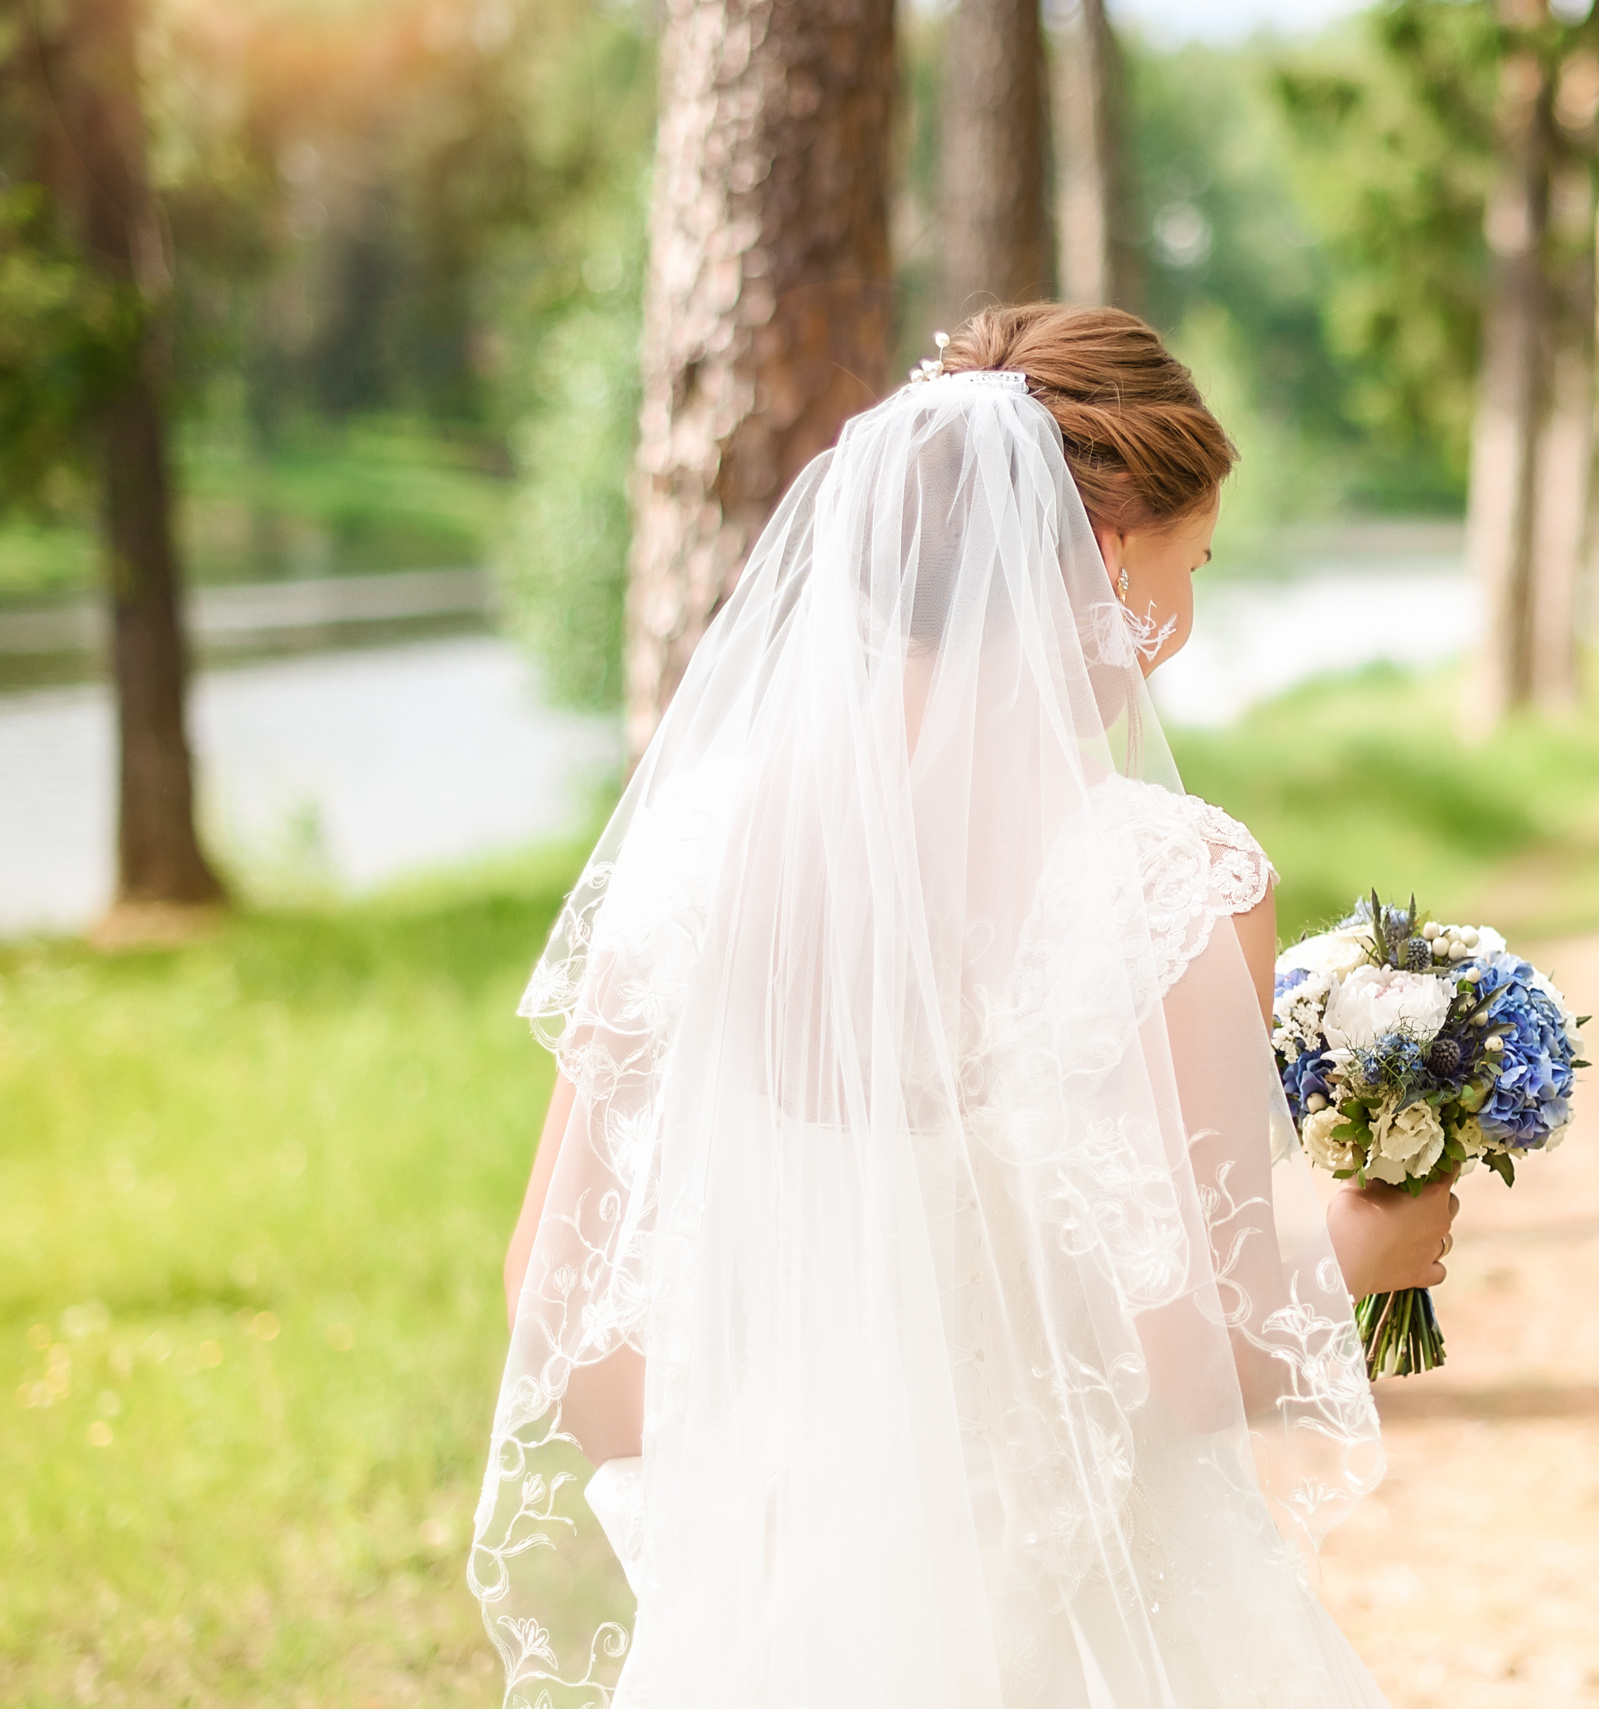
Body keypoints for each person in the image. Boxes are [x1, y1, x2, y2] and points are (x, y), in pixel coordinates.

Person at [471, 303, 1457, 1706]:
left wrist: (770, 1498)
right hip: (1089, 1635)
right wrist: (1370, 1247)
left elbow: (548, 1300)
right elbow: (1183, 1359)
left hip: (777, 1624)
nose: (1176, 630)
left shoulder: (693, 851)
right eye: (1194, 566)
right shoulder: (1170, 879)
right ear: (1114, 557)